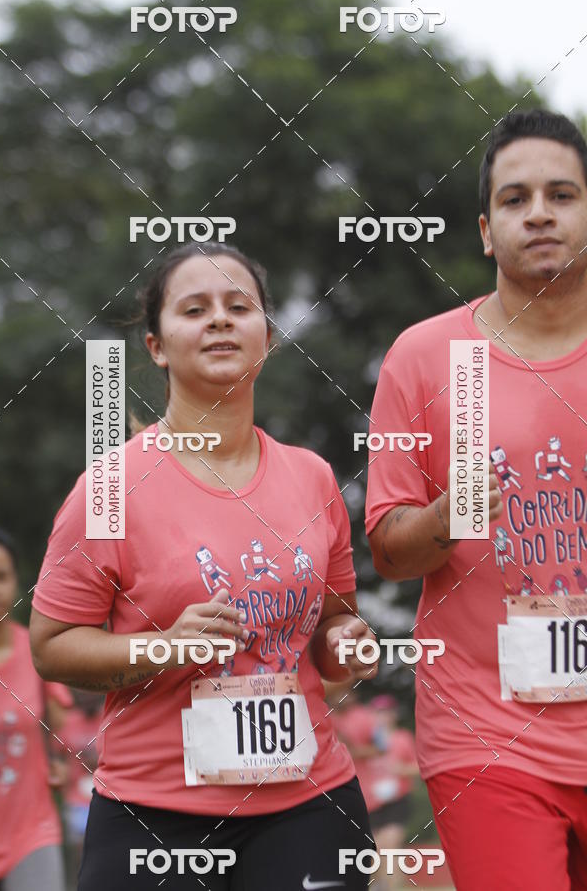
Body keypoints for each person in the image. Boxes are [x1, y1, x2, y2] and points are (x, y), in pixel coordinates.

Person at [29, 242, 379, 890]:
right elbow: (51, 647)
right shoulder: (110, 488)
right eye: (194, 310)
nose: (220, 319)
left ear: (267, 337)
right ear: (157, 346)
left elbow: (332, 630)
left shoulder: (312, 477)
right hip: (155, 816)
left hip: (308, 806)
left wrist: (348, 644)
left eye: (238, 307)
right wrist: (165, 647)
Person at [366, 108, 587, 890]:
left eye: (562, 195)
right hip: (488, 735)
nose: (540, 213)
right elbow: (388, 552)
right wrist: (443, 518)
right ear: (487, 231)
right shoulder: (426, 357)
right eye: (515, 199)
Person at [0, 525, 71, 891]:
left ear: (15, 582)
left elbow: (64, 730)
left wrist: (61, 763)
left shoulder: (39, 653)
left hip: (31, 834)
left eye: (1, 577)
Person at [328, 686, 418, 891]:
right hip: (368, 802)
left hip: (395, 799)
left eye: (386, 712)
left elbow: (382, 748)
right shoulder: (331, 719)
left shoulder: (383, 729)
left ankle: (390, 887)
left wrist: (400, 769)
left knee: (389, 846)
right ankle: (381, 885)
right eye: (379, 711)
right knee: (375, 852)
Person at [60, 690, 104, 884]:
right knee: (81, 849)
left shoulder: (109, 718)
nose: (87, 698)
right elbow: (57, 755)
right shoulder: (68, 722)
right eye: (83, 695)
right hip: (76, 799)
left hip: (104, 796)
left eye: (91, 694)